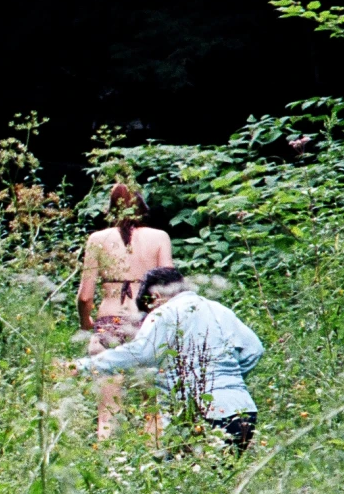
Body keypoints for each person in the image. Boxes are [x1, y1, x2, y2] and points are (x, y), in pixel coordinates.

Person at [74, 267, 264, 449]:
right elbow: (254, 349)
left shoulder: (165, 312)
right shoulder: (220, 309)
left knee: (187, 475)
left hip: (202, 414)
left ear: (155, 297)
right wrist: (228, 380)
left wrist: (85, 365)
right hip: (242, 412)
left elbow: (141, 353)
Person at [76, 179, 172, 438]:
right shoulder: (159, 237)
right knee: (153, 410)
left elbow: (85, 297)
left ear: (110, 208)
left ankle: (108, 468)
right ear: (141, 206)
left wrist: (88, 326)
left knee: (107, 413)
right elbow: (169, 288)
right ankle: (155, 469)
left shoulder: (97, 239)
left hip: (109, 324)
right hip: (146, 324)